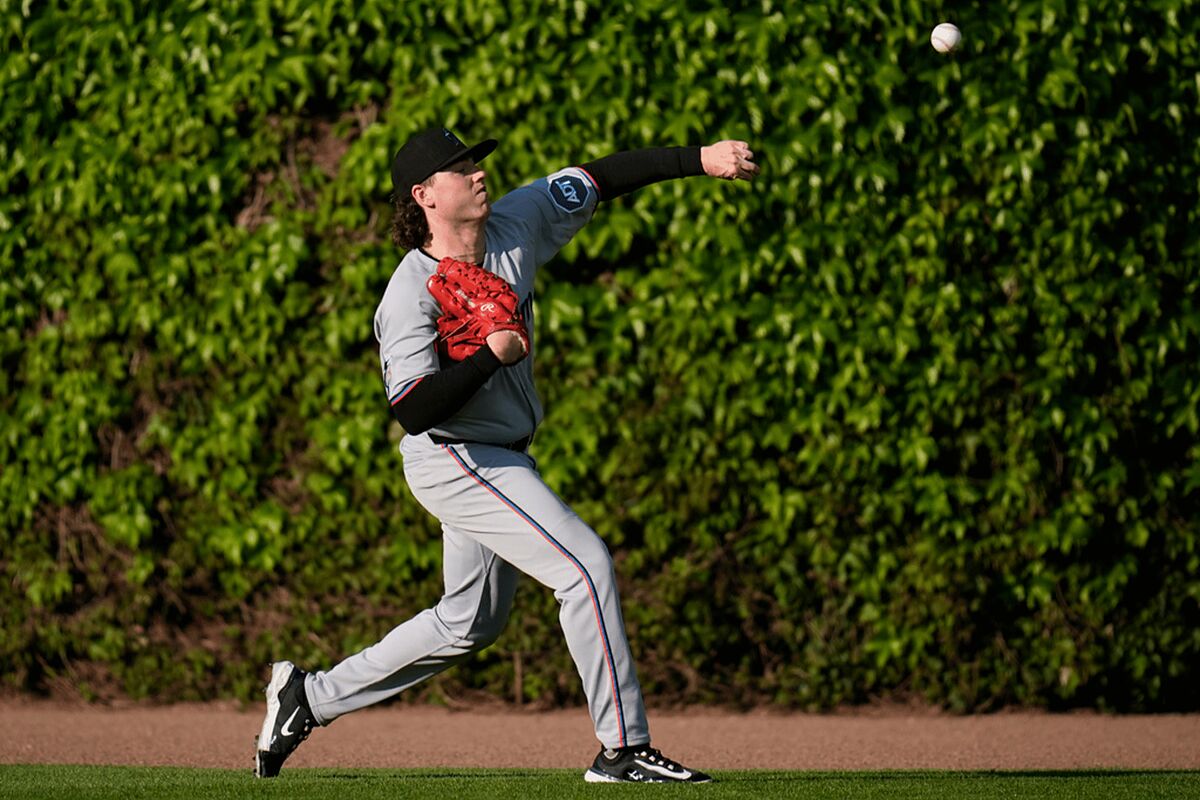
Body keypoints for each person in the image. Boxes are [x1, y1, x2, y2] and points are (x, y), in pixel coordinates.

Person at [254, 126, 758, 783]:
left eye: (473, 161)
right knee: (585, 566)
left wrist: (701, 160)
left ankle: (307, 697)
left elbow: (602, 175)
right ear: (425, 195)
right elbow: (411, 409)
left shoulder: (519, 219)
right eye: (459, 168)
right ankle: (622, 749)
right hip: (453, 457)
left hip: (505, 456)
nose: (476, 173)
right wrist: (487, 356)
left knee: (468, 623)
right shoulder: (409, 292)